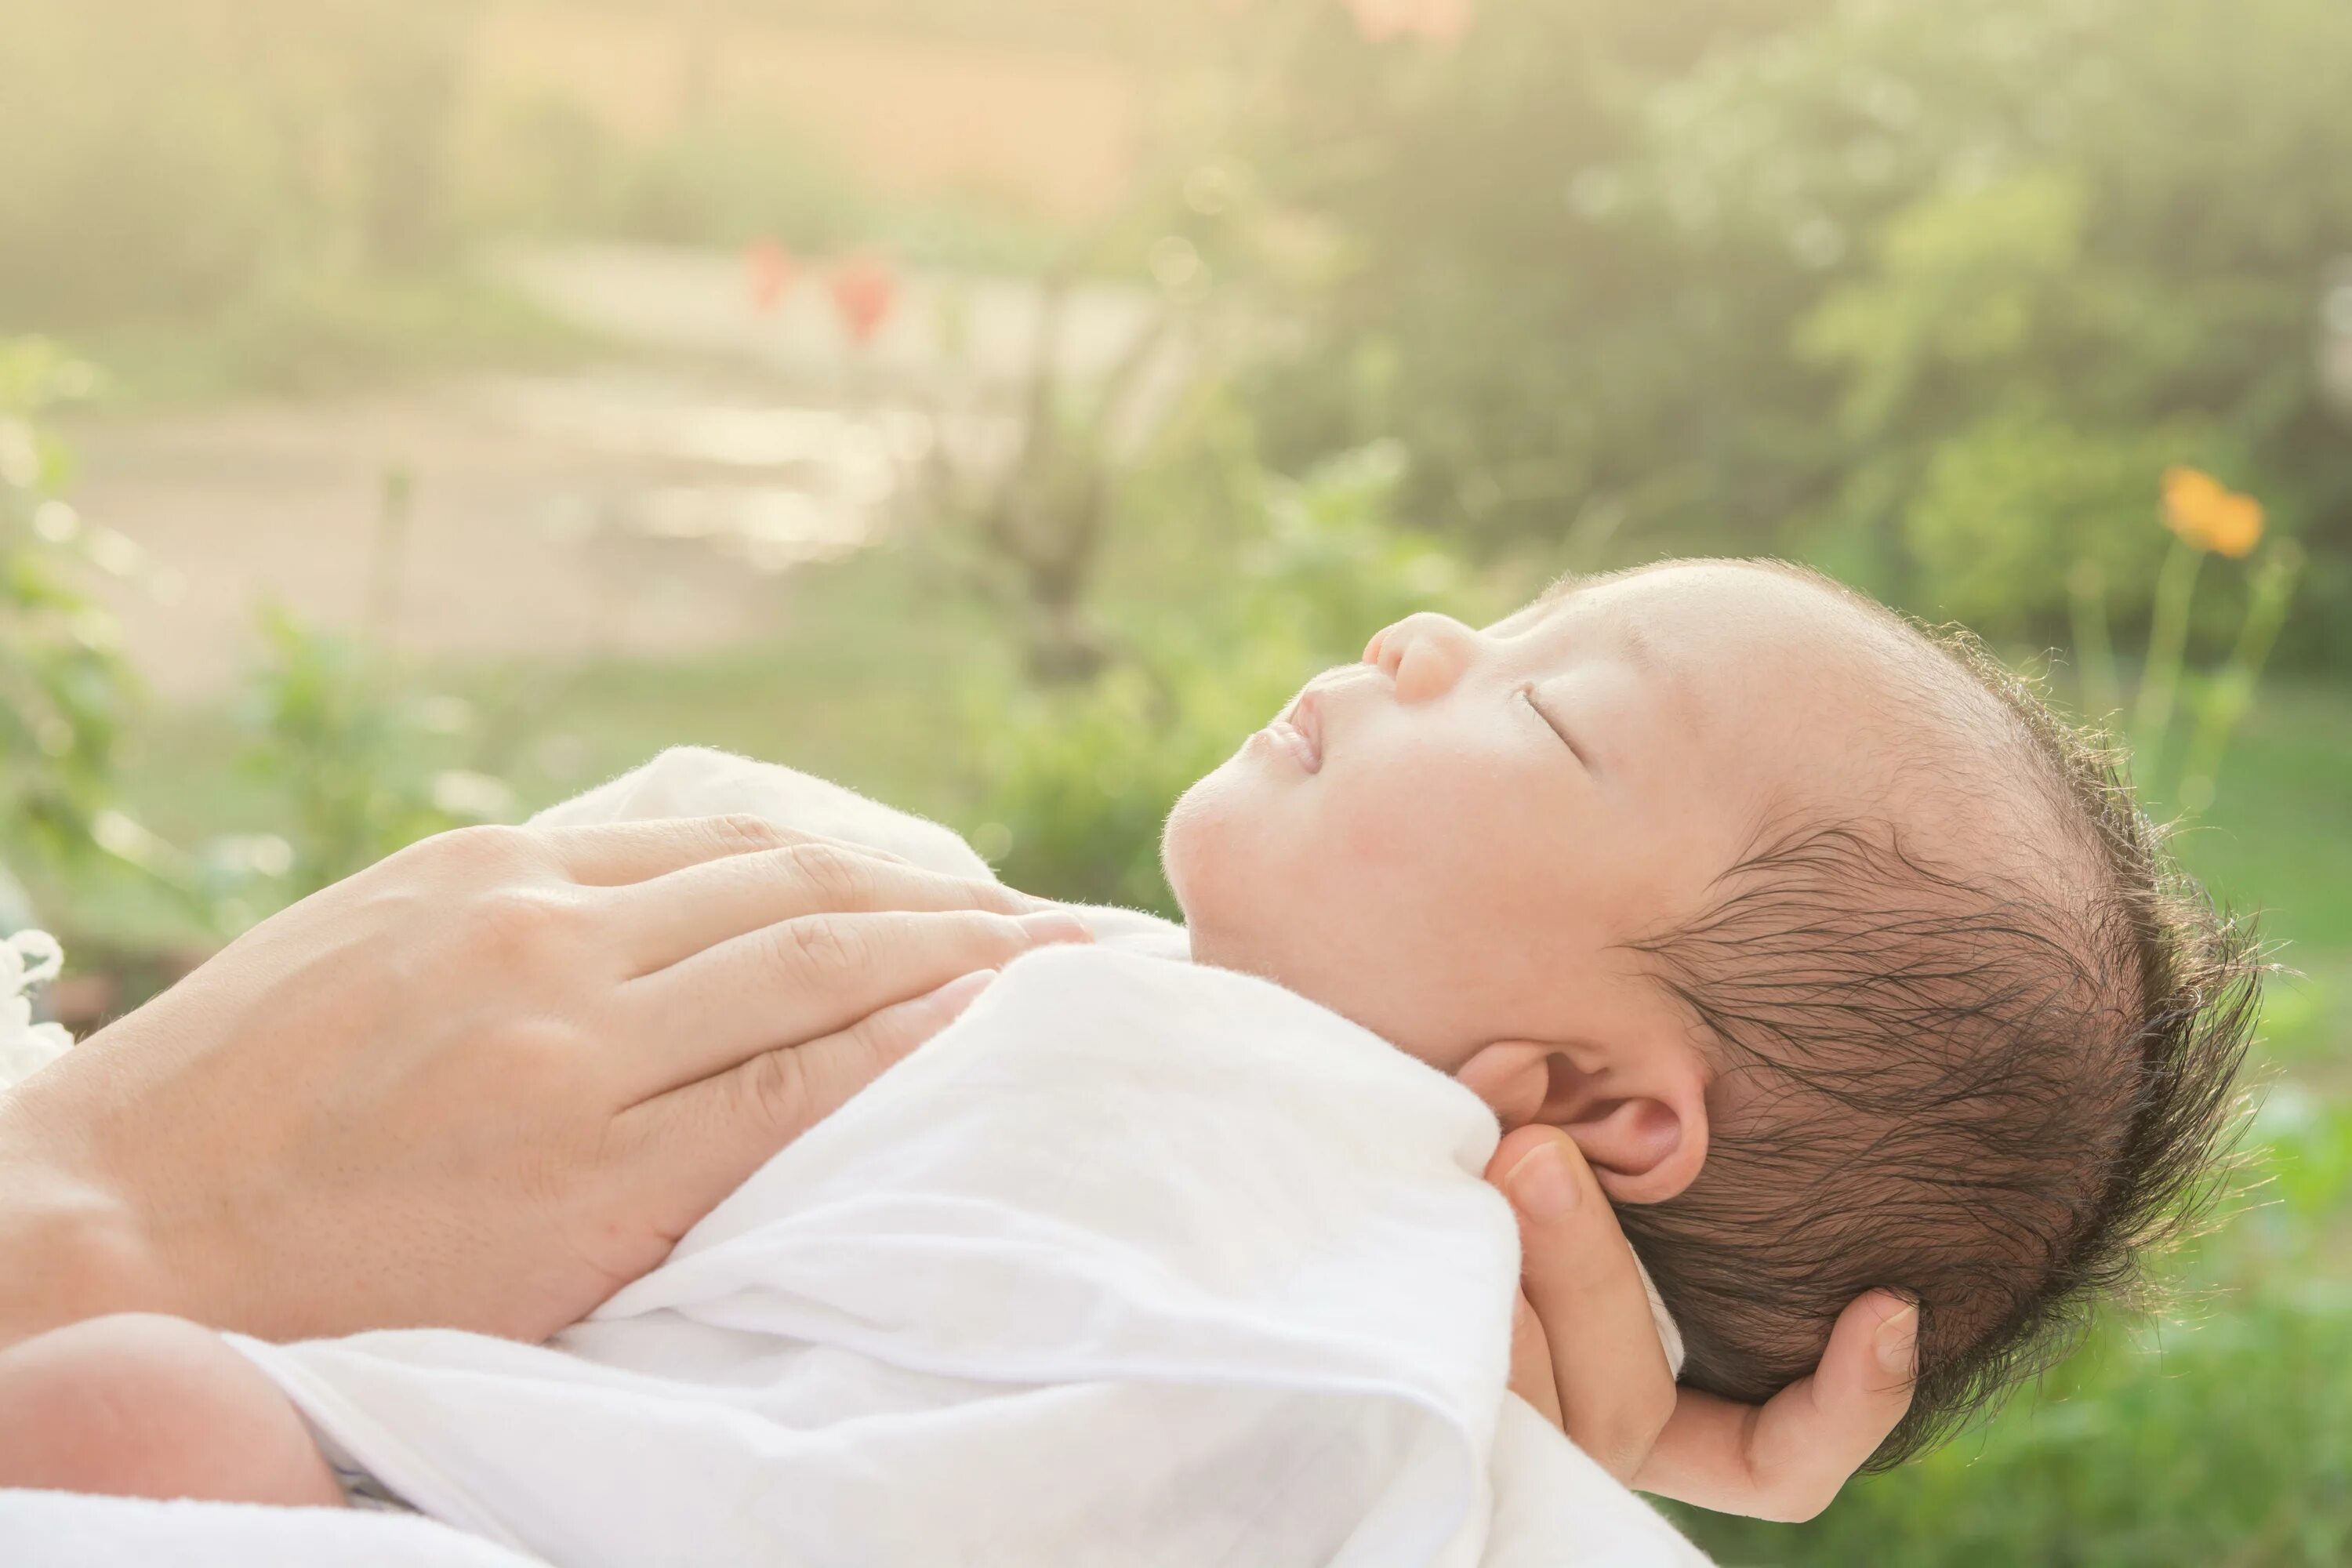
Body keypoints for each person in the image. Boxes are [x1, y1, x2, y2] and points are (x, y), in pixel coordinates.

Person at [0, 572, 1970, 1528]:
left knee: (134, 1423)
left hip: (463, 1491)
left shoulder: (1351, 1255)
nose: (1431, 631)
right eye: (1520, 614)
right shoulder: (1208, 1083)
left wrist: (1500, 1459)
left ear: (1596, 1108)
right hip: (415, 1417)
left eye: (1549, 714)